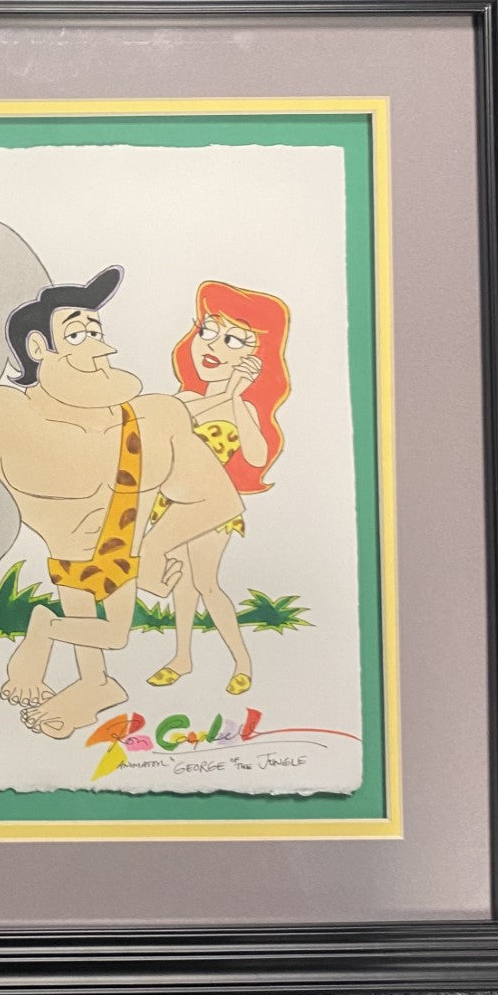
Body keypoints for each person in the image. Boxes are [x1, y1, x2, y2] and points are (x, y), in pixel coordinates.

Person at [0, 267, 242, 739]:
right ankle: (79, 668)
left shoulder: (155, 416)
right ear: (39, 348)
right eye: (76, 334)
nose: (98, 347)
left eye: (96, 331)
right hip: (69, 558)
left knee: (115, 635)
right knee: (99, 626)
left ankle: (87, 675)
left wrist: (156, 549)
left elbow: (218, 499)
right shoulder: (5, 414)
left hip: (126, 551)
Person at [144, 281, 291, 695]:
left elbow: (257, 457)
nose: (213, 345)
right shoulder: (184, 399)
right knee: (182, 585)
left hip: (211, 507)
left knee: (206, 584)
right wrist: (225, 393)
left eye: (234, 339)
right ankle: (182, 658)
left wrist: (236, 399)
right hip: (172, 502)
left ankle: (242, 663)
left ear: (255, 358)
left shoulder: (243, 407)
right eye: (208, 330)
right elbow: (175, 421)